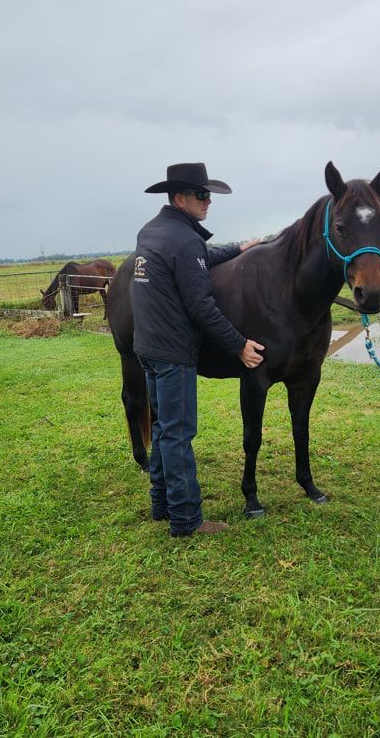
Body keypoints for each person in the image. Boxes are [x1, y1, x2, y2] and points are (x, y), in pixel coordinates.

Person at [133, 163, 264, 537]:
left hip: (147, 346)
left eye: (209, 195)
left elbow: (196, 259)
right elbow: (201, 305)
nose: (209, 202)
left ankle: (161, 504)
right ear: (180, 198)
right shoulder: (184, 239)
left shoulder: (154, 231)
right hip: (173, 351)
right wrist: (239, 345)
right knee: (178, 433)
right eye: (202, 195)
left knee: (161, 428)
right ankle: (187, 520)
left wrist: (240, 248)